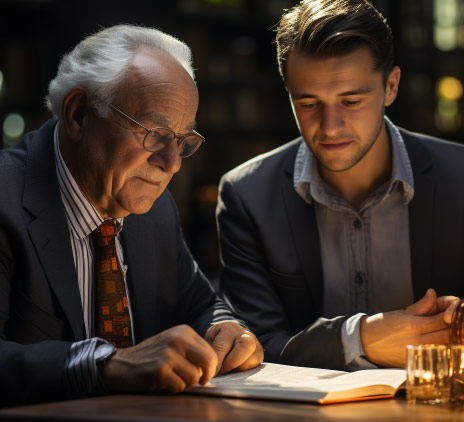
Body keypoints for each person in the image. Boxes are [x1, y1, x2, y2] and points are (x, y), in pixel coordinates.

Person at [0, 24, 263, 407]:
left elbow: (198, 303)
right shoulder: (6, 201)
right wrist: (108, 366)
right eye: (154, 132)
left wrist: (225, 328)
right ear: (78, 114)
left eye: (182, 139)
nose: (171, 164)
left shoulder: (153, 209)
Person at [216, 0, 464, 372]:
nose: (330, 126)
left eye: (351, 101)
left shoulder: (459, 176)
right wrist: (359, 338)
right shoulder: (247, 195)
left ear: (391, 86)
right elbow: (255, 345)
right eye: (310, 103)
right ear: (288, 94)